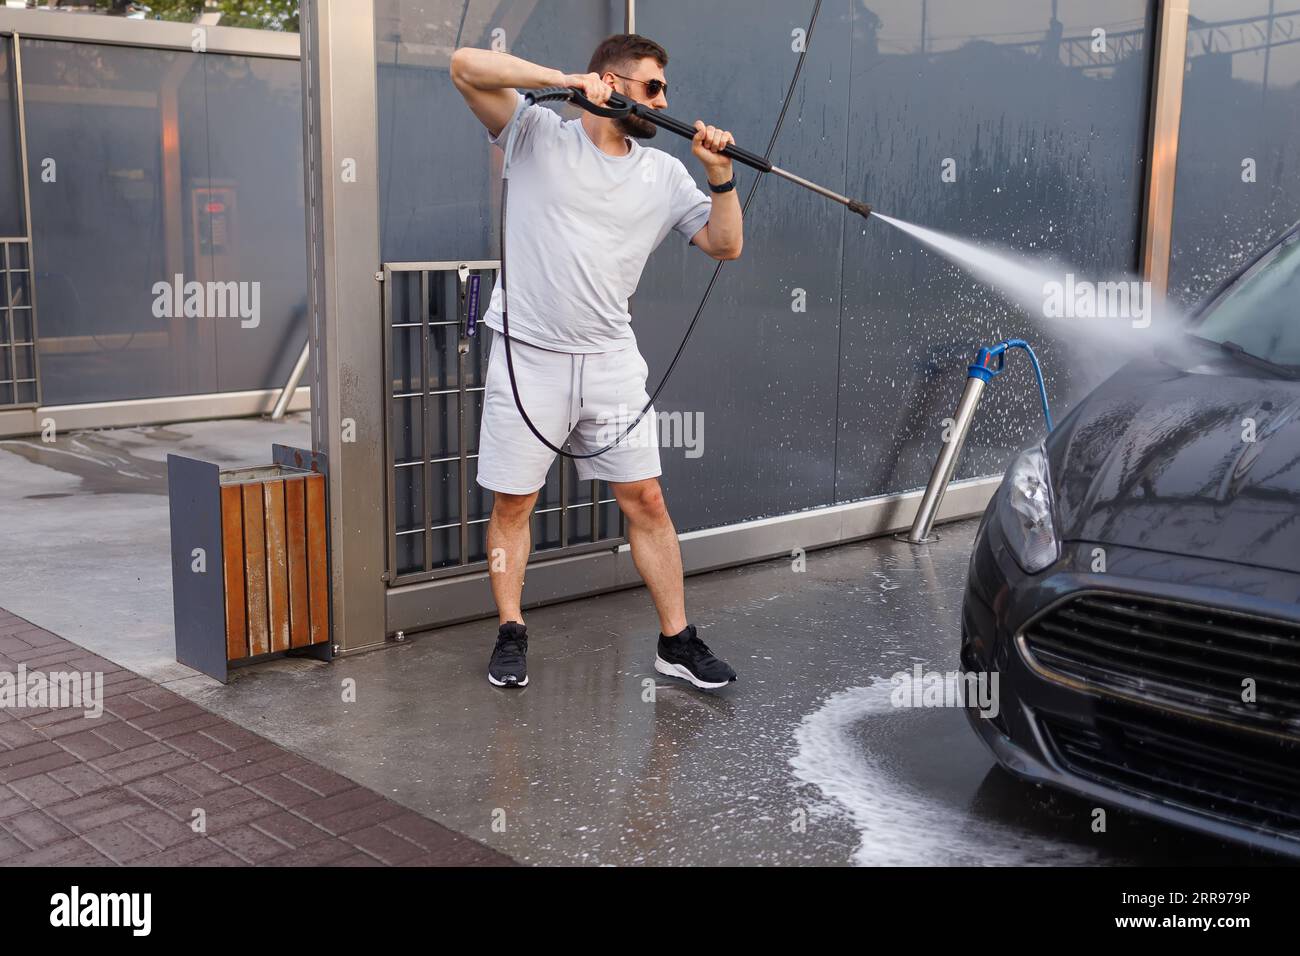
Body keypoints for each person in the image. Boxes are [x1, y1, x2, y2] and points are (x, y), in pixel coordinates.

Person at [450, 33, 743, 690]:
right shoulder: (535, 134)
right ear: (610, 82)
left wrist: (719, 176)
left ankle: (676, 641)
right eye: (652, 86)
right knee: (514, 505)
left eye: (665, 87)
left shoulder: (663, 173)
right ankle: (511, 630)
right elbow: (464, 66)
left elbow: (726, 245)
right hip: (530, 355)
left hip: (610, 359)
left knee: (647, 499)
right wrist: (564, 77)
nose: (665, 100)